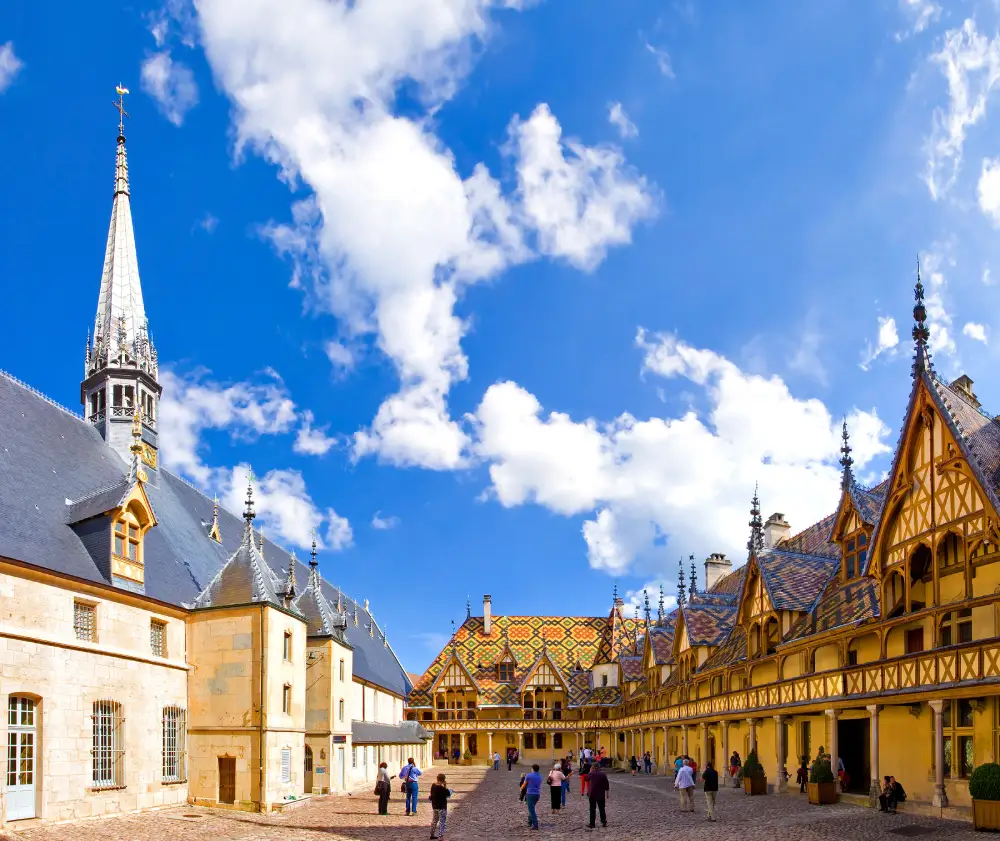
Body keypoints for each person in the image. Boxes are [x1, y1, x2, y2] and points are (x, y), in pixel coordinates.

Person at [586, 760, 610, 829]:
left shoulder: (591, 774)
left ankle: (592, 824)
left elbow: (586, 779)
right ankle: (604, 822)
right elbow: (606, 784)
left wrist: (590, 771)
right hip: (601, 794)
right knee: (602, 809)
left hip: (592, 794)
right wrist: (607, 793)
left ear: (593, 767)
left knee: (592, 809)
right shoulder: (603, 774)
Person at [429, 773, 452, 839]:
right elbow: (448, 794)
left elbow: (431, 793)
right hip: (442, 807)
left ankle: (432, 834)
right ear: (443, 780)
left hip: (435, 806)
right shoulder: (442, 788)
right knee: (442, 822)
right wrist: (445, 786)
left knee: (434, 820)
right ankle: (441, 837)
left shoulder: (433, 785)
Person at [521, 763, 542, 830]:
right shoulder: (540, 776)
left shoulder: (528, 775)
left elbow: (524, 784)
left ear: (532, 769)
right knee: (531, 808)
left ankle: (535, 824)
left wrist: (521, 788)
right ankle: (530, 822)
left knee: (531, 810)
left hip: (530, 794)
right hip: (537, 795)